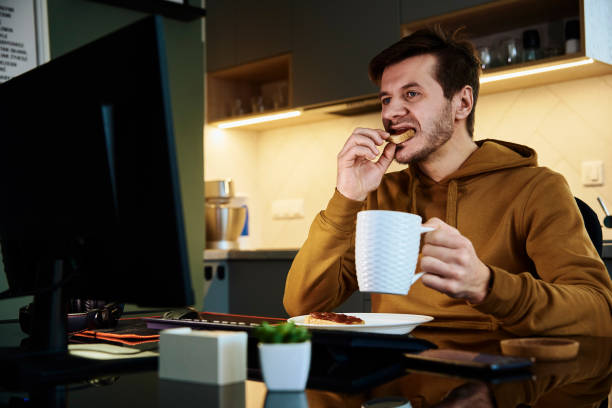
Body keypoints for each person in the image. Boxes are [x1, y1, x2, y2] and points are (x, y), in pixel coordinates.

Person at [283, 26, 612, 336]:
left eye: (411, 93)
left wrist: (487, 285)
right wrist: (347, 196)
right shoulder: (380, 194)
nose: (391, 112)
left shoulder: (536, 188)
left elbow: (599, 311)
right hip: (396, 381)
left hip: (494, 379)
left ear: (462, 103)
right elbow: (303, 306)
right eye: (386, 99)